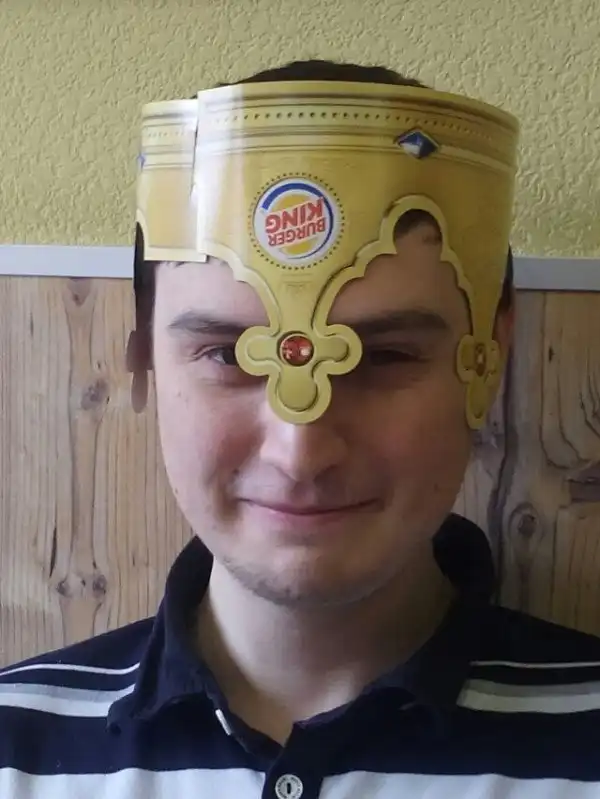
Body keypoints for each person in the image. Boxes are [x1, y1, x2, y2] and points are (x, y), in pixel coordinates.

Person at [2, 59, 600, 799]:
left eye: (384, 356)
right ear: (142, 357)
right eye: (227, 355)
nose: (300, 452)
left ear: (490, 356)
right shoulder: (13, 749)